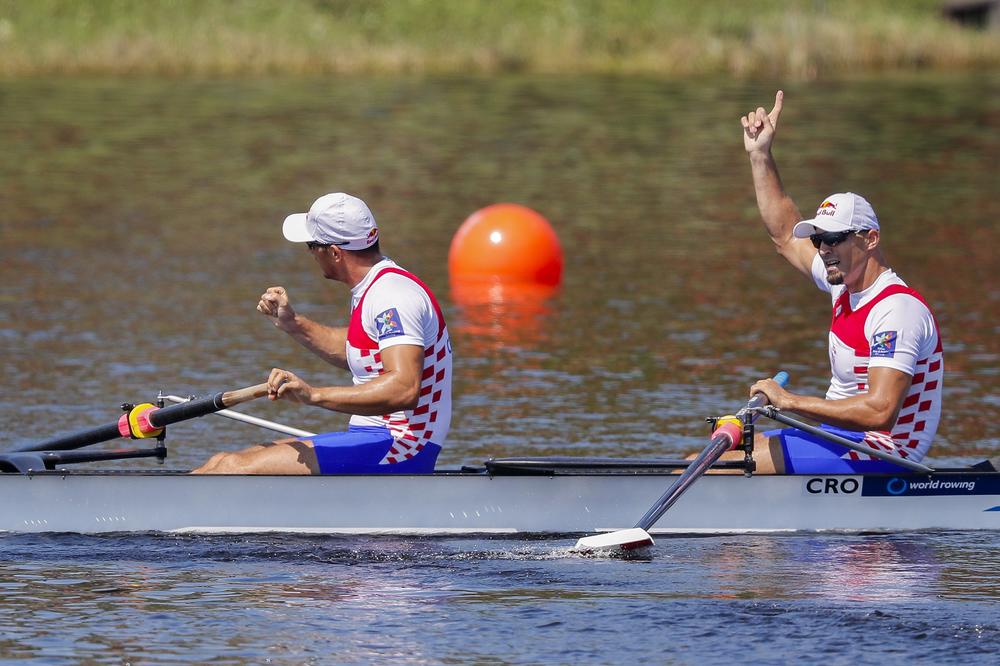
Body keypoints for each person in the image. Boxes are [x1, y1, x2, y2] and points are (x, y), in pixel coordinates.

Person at [733, 91, 943, 474]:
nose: (824, 249)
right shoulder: (842, 286)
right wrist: (760, 155)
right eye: (818, 240)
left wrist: (789, 402)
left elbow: (880, 411)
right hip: (840, 439)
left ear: (870, 239)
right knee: (715, 459)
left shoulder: (898, 310)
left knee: (726, 467)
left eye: (834, 239)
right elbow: (784, 235)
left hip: (886, 453)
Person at [193, 192, 453, 474]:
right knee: (221, 460)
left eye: (311, 245)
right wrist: (292, 322)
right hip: (374, 439)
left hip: (402, 447)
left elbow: (404, 388)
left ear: (335, 253)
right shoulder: (376, 286)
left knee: (232, 467)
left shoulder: (393, 296)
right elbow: (361, 350)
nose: (310, 253)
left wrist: (313, 395)